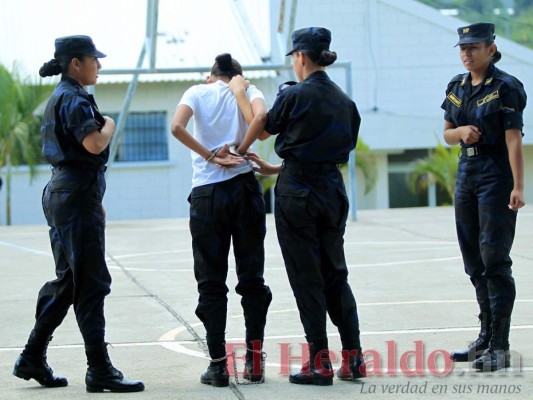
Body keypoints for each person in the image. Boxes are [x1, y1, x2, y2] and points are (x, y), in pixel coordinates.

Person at [234, 27, 366, 386]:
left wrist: (240, 95)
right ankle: (353, 359)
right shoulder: (345, 102)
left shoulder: (295, 96)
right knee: (336, 273)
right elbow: (327, 152)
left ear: (301, 57)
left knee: (306, 277)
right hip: (332, 189)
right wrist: (281, 167)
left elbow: (262, 126)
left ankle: (319, 361)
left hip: (298, 193)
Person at [12, 35, 144, 393]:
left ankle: (32, 356)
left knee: (71, 281)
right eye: (93, 60)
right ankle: (99, 369)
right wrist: (111, 123)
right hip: (73, 196)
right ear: (75, 64)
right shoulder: (73, 98)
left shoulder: (64, 97)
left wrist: (91, 197)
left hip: (67, 194)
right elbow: (94, 143)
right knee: (90, 284)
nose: (98, 66)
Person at [170, 53, 272, 387]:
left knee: (211, 283)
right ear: (237, 76)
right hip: (244, 190)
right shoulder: (250, 89)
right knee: (251, 278)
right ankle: (254, 363)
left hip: (206, 196)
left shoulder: (196, 92)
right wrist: (240, 152)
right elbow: (262, 122)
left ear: (211, 75)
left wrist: (209, 155)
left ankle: (217, 366)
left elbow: (176, 127)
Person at [442, 23, 526, 372]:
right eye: (462, 47)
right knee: (473, 260)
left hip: (495, 175)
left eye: (474, 47)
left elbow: (513, 140)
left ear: (491, 49)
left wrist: (518, 186)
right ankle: (485, 336)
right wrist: (460, 131)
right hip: (467, 174)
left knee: (494, 257)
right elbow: (447, 134)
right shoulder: (456, 87)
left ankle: (500, 345)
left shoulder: (506, 88)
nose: (467, 53)